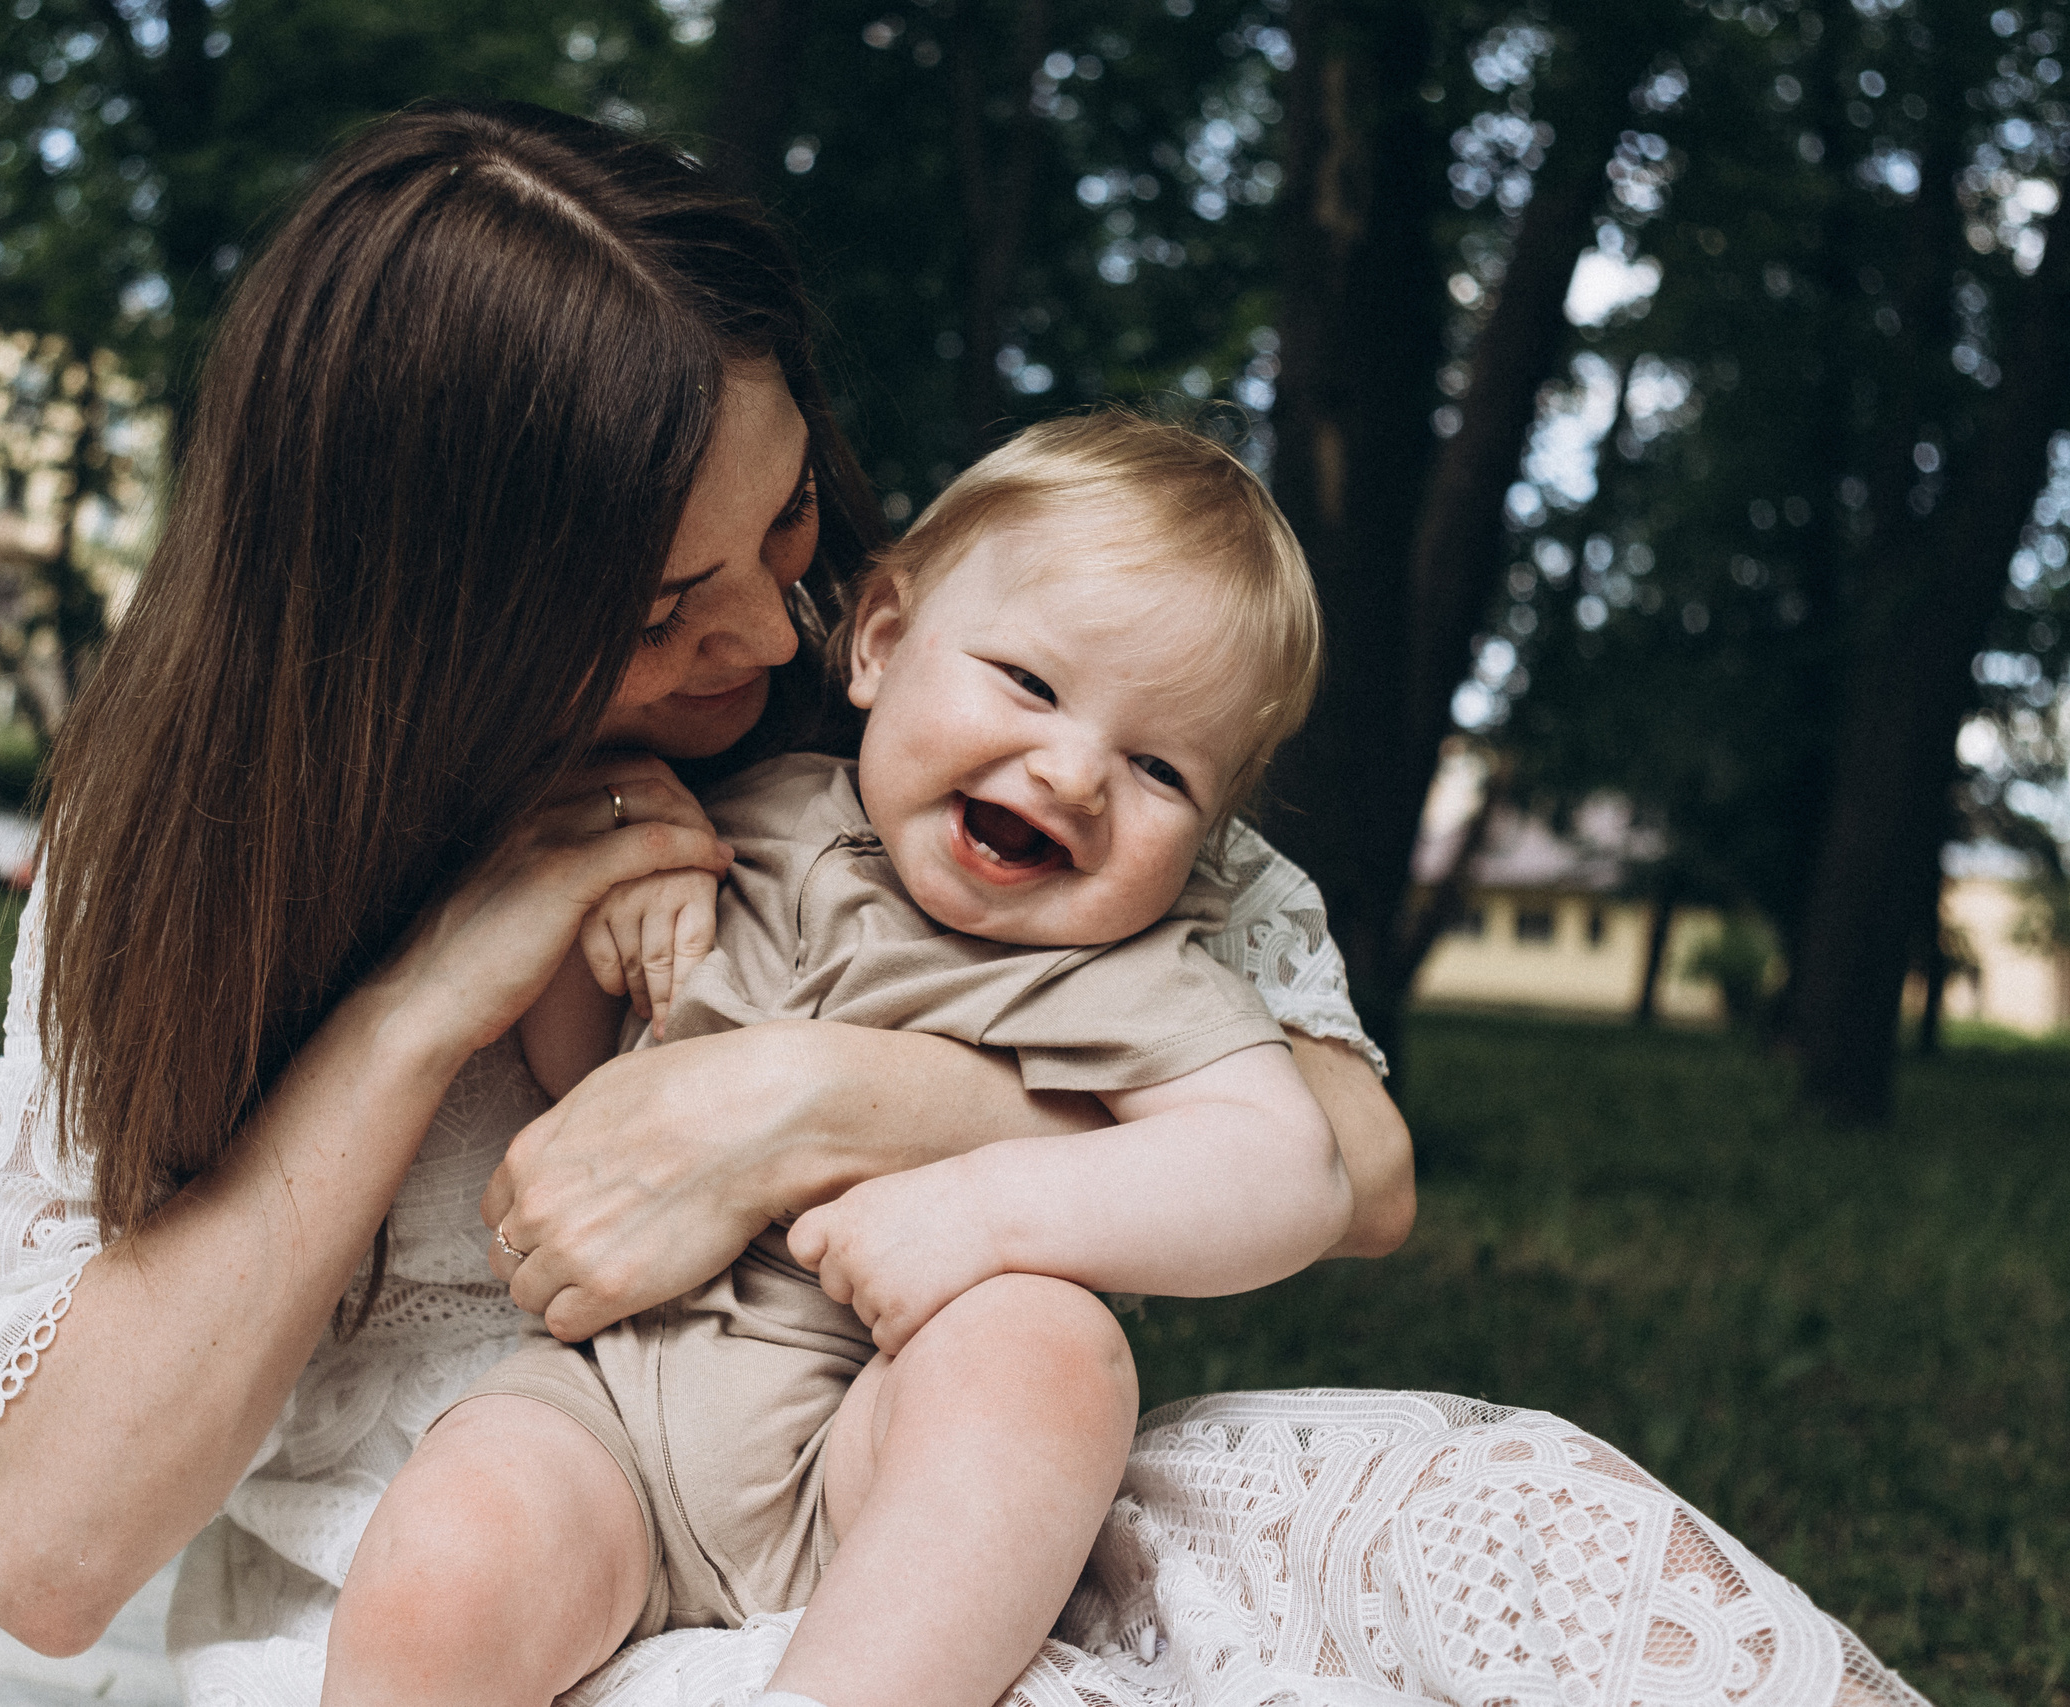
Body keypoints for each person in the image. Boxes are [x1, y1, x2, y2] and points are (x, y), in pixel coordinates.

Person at [0, 100, 1925, 1707]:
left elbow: (1349, 1167)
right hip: (471, 1544)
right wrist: (430, 999)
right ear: (439, 624)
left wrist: (816, 1101)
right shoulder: (207, 860)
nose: (767, 614)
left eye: (784, 526)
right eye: (675, 598)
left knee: (1498, 1517)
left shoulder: (939, 723)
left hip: (892, 1449)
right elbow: (47, 1556)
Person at [326, 412, 1353, 1707]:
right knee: (441, 1562)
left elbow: (1293, 1174)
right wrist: (609, 930)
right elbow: (580, 1086)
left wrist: (983, 1208)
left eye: (1159, 768)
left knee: (1041, 1350)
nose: (1077, 773)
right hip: (615, 1422)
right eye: (1031, 685)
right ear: (879, 645)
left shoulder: (1123, 970)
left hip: (877, 1437)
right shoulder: (743, 823)